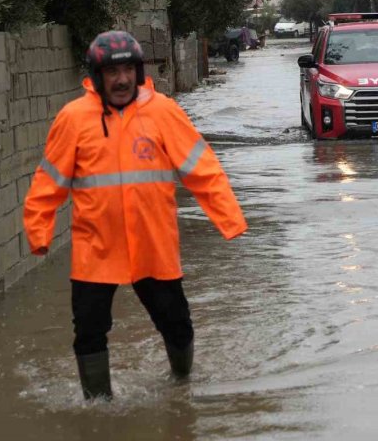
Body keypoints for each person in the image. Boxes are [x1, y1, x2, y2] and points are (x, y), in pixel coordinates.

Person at [23, 30, 247, 400]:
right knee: (89, 332)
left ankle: (181, 387)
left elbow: (202, 169)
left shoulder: (163, 112)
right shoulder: (74, 119)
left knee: (176, 324)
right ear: (97, 76)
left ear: (139, 72)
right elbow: (49, 181)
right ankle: (98, 409)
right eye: (112, 72)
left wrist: (230, 220)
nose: (122, 79)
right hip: (96, 248)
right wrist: (38, 232)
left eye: (128, 70)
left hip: (153, 244)